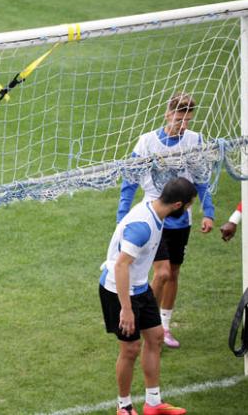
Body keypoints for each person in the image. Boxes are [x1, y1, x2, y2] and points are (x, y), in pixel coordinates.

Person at [116, 92, 214, 348]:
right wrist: (122, 215)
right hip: (154, 219)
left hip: (182, 221)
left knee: (173, 274)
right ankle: (146, 322)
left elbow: (202, 179)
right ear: (168, 114)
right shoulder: (147, 142)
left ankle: (165, 326)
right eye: (179, 119)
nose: (183, 126)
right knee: (161, 274)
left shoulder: (194, 140)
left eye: (188, 120)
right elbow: (130, 181)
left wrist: (209, 212)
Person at [101, 177, 196, 415]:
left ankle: (153, 403)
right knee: (131, 348)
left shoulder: (157, 213)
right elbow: (121, 266)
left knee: (154, 337)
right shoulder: (142, 225)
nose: (188, 211)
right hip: (118, 290)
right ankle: (123, 406)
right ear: (177, 205)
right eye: (188, 206)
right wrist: (126, 308)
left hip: (140, 286)